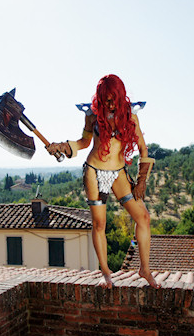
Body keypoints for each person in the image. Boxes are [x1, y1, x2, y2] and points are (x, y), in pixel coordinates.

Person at [46, 74, 160, 289]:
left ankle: (145, 269)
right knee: (99, 224)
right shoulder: (92, 116)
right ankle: (106, 273)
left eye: (112, 99)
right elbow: (84, 142)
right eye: (105, 99)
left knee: (143, 217)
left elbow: (144, 149)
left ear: (120, 96)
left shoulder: (131, 117)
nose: (109, 104)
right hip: (94, 172)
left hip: (119, 173)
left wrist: (142, 180)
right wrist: (61, 146)